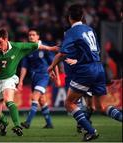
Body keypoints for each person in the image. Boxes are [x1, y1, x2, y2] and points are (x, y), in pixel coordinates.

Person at [48, 4, 122, 141]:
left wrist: (51, 66)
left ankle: (91, 131)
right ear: (82, 16)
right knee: (100, 106)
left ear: (69, 18)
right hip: (98, 67)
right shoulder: (90, 29)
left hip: (86, 70)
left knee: (69, 103)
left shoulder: (72, 32)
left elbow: (62, 53)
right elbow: (95, 51)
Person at [0, 28, 58, 136]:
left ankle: (17, 126)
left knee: (8, 100)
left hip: (9, 79)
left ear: (6, 39)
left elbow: (36, 46)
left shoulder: (17, 47)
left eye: (0, 42)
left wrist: (51, 48)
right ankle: (4, 123)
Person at [17, 28, 60, 129]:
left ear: (38, 37)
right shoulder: (27, 49)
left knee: (35, 96)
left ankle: (28, 122)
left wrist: (57, 78)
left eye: (33, 35)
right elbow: (24, 67)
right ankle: (49, 123)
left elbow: (54, 62)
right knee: (41, 100)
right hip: (34, 77)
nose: (31, 36)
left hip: (44, 75)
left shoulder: (44, 48)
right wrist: (21, 81)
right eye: (29, 35)